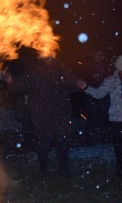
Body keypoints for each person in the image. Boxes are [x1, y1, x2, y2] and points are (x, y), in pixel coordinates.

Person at [6, 48, 82, 178]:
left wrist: (78, 83)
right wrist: (10, 80)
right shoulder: (35, 69)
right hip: (41, 113)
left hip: (60, 112)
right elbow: (20, 85)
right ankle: (43, 170)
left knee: (61, 140)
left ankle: (63, 170)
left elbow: (74, 83)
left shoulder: (61, 67)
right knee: (43, 141)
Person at [80, 49, 111, 144]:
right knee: (91, 117)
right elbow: (83, 81)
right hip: (91, 95)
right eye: (97, 54)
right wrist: (91, 78)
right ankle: (90, 139)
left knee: (104, 117)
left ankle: (105, 137)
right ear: (94, 55)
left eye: (101, 54)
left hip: (104, 95)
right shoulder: (88, 66)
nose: (99, 56)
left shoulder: (107, 67)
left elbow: (110, 78)